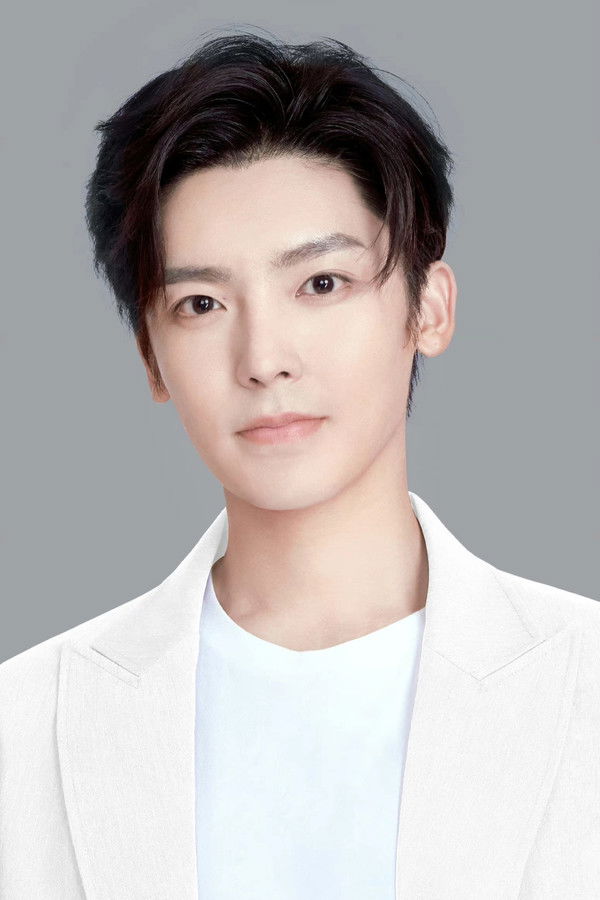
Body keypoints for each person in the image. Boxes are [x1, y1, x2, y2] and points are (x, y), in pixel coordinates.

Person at [1, 29, 598, 900]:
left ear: (429, 308)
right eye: (201, 303)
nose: (263, 358)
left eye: (321, 284)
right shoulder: (25, 724)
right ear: (151, 358)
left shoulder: (585, 682)